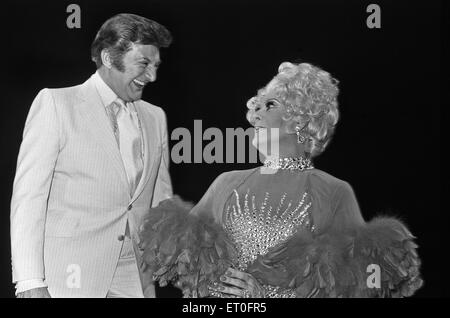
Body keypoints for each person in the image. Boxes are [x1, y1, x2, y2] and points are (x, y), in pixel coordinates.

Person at [140, 61, 423, 298]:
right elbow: (183, 262)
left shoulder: (333, 191)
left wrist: (266, 297)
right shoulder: (226, 181)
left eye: (270, 105)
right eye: (257, 105)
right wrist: (218, 285)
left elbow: (351, 286)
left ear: (299, 119)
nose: (255, 114)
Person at [11, 13, 173, 298]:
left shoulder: (155, 117)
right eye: (144, 64)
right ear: (109, 58)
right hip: (68, 276)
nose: (153, 76)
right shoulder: (56, 104)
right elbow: (29, 199)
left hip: (135, 278)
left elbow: (160, 198)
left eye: (156, 66)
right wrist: (30, 281)